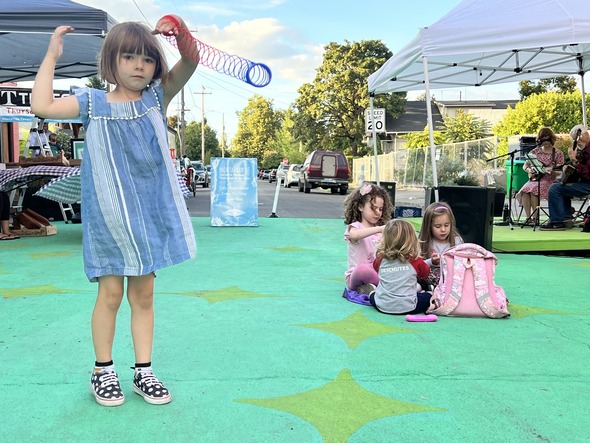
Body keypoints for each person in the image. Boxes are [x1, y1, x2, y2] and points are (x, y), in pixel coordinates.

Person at [31, 15, 199, 407]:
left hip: (148, 215)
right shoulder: (92, 102)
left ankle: (143, 371)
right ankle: (102, 370)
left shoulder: (157, 97)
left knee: (144, 295)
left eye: (147, 59)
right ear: (112, 61)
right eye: (129, 57)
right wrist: (52, 55)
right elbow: (41, 104)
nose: (140, 65)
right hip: (108, 216)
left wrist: (182, 33)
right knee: (110, 294)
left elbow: (190, 61)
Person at [369, 219, 432, 315]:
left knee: (372, 295)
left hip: (382, 305)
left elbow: (377, 270)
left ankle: (372, 291)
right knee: (429, 295)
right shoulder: (415, 260)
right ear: (412, 240)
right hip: (409, 307)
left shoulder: (380, 260)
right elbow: (425, 273)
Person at [343, 182, 393, 294]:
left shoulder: (381, 230)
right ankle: (390, 287)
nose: (377, 213)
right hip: (356, 277)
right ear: (360, 207)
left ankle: (370, 288)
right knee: (362, 269)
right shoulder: (356, 227)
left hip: (378, 275)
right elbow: (354, 235)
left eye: (380, 209)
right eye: (373, 208)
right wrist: (379, 229)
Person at [540, 124, 590, 230]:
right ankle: (566, 217)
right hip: (585, 182)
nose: (577, 143)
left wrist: (575, 161)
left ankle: (557, 222)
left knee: (555, 189)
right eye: (575, 140)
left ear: (585, 135)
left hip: (588, 184)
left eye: (578, 139)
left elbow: (588, 174)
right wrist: (569, 167)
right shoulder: (584, 151)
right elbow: (580, 170)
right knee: (560, 184)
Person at [516, 127, 564, 222]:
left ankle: (535, 218)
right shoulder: (534, 152)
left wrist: (552, 171)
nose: (545, 141)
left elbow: (560, 170)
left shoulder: (558, 153)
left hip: (550, 180)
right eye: (543, 138)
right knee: (525, 191)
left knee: (534, 190)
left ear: (551, 139)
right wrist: (530, 170)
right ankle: (528, 217)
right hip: (536, 178)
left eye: (547, 138)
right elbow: (525, 165)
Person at [417, 202, 463, 288]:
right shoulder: (423, 243)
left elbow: (462, 264)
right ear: (429, 226)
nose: (443, 229)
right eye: (438, 226)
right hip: (429, 280)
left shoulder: (457, 241)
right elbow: (417, 266)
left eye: (446, 225)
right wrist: (432, 261)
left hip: (452, 280)